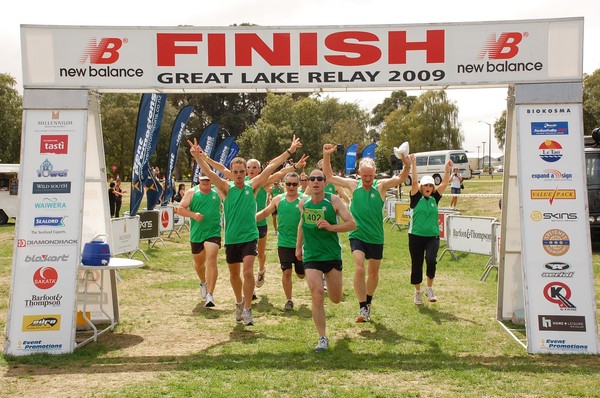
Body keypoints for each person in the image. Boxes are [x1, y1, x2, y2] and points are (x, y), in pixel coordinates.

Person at [189, 135, 303, 326]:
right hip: (232, 238)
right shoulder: (226, 188)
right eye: (237, 172)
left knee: (248, 272)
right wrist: (198, 157)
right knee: (235, 275)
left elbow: (271, 167)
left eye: (242, 171)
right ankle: (239, 302)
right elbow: (209, 172)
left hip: (250, 237)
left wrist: (290, 151)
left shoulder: (254, 186)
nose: (240, 174)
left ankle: (248, 309)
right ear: (232, 173)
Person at [322, 143, 411, 323]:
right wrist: (326, 155)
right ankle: (362, 307)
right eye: (365, 176)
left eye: (370, 176)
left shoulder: (381, 186)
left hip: (376, 237)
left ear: (374, 173)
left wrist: (407, 164)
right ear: (359, 174)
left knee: (373, 272)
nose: (368, 179)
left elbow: (401, 178)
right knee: (360, 267)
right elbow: (329, 177)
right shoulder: (353, 185)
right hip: (357, 234)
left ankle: (368, 302)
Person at [296, 168, 356, 351]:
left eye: (319, 179)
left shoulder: (334, 200)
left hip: (331, 255)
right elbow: (302, 223)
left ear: (325, 182)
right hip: (312, 255)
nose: (315, 182)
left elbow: (352, 224)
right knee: (317, 294)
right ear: (307, 183)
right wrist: (298, 247)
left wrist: (331, 227)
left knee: (336, 298)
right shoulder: (304, 203)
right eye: (311, 179)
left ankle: (332, 287)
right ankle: (322, 338)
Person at [256, 172, 306, 311]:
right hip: (284, 243)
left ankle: (303, 272)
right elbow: (266, 213)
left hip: (301, 244)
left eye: (294, 184)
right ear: (284, 184)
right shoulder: (278, 199)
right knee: (286, 272)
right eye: (288, 183)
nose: (291, 187)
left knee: (301, 275)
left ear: (299, 185)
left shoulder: (304, 200)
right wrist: (249, 220)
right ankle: (289, 300)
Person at [408, 154, 452, 305]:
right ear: (421, 187)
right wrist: (413, 164)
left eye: (430, 186)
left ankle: (429, 288)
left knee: (431, 260)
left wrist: (447, 170)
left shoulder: (435, 198)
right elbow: (414, 181)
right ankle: (417, 292)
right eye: (425, 185)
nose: (428, 188)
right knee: (417, 263)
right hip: (415, 236)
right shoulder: (416, 197)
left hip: (432, 236)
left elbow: (445, 183)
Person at [176, 175, 223, 307]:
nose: (205, 183)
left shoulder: (217, 192)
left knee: (211, 260)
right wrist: (193, 215)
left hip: (213, 232)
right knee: (199, 264)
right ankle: (203, 282)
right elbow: (180, 209)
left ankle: (210, 295)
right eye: (203, 180)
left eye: (208, 180)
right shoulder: (192, 192)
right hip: (197, 234)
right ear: (199, 180)